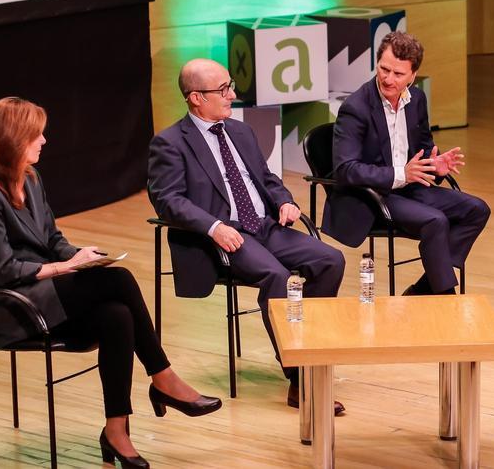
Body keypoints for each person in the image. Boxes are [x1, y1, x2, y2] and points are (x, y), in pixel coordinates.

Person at [0, 97, 221, 469]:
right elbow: (3, 270)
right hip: (14, 305)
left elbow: (52, 238)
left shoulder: (30, 180)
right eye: (36, 134)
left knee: (118, 316)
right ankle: (163, 378)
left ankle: (117, 432)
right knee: (119, 279)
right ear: (12, 140)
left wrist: (80, 254)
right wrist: (67, 267)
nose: (44, 140)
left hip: (46, 291)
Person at [147, 59, 347, 414]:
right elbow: (168, 200)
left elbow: (267, 179)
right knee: (278, 278)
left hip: (265, 225)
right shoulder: (170, 143)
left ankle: (309, 350)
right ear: (195, 97)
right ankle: (300, 378)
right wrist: (214, 227)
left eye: (230, 86)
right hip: (224, 236)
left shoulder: (239, 131)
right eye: (222, 90)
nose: (232, 95)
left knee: (331, 260)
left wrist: (285, 202)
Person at [323, 32, 489, 295]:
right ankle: (446, 298)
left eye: (398, 74)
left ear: (413, 75)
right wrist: (401, 173)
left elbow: (423, 148)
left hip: (411, 188)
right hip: (374, 194)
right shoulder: (356, 107)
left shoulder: (417, 100)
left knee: (477, 210)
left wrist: (435, 164)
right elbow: (346, 170)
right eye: (384, 69)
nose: (388, 79)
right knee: (436, 221)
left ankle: (425, 288)